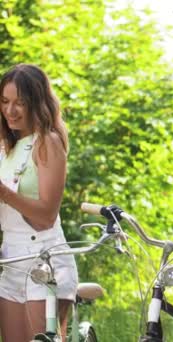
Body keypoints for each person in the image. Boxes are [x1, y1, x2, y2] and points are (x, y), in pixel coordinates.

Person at [0, 64, 78, 341]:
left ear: (37, 103)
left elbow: (46, 215)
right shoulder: (5, 146)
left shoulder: (47, 142)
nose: (10, 111)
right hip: (11, 258)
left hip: (45, 257)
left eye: (20, 103)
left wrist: (4, 193)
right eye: (5, 101)